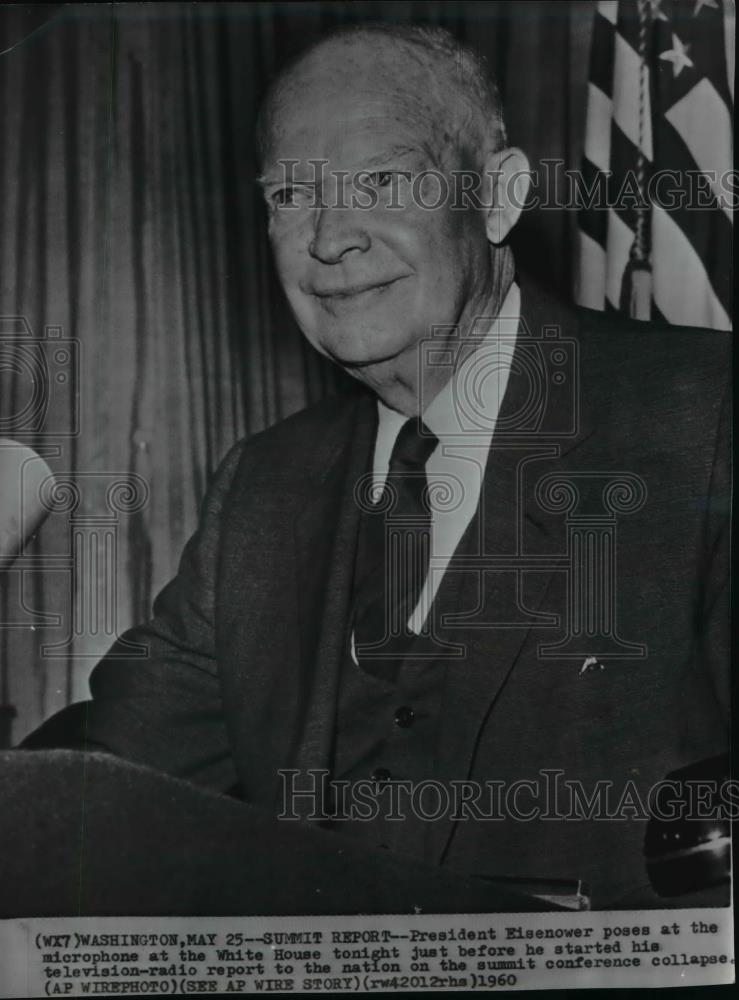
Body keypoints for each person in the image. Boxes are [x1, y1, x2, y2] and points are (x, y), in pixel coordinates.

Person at [23, 23, 730, 909]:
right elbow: (106, 781)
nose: (328, 239)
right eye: (291, 193)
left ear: (499, 196)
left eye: (383, 181)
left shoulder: (706, 417)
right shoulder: (266, 485)